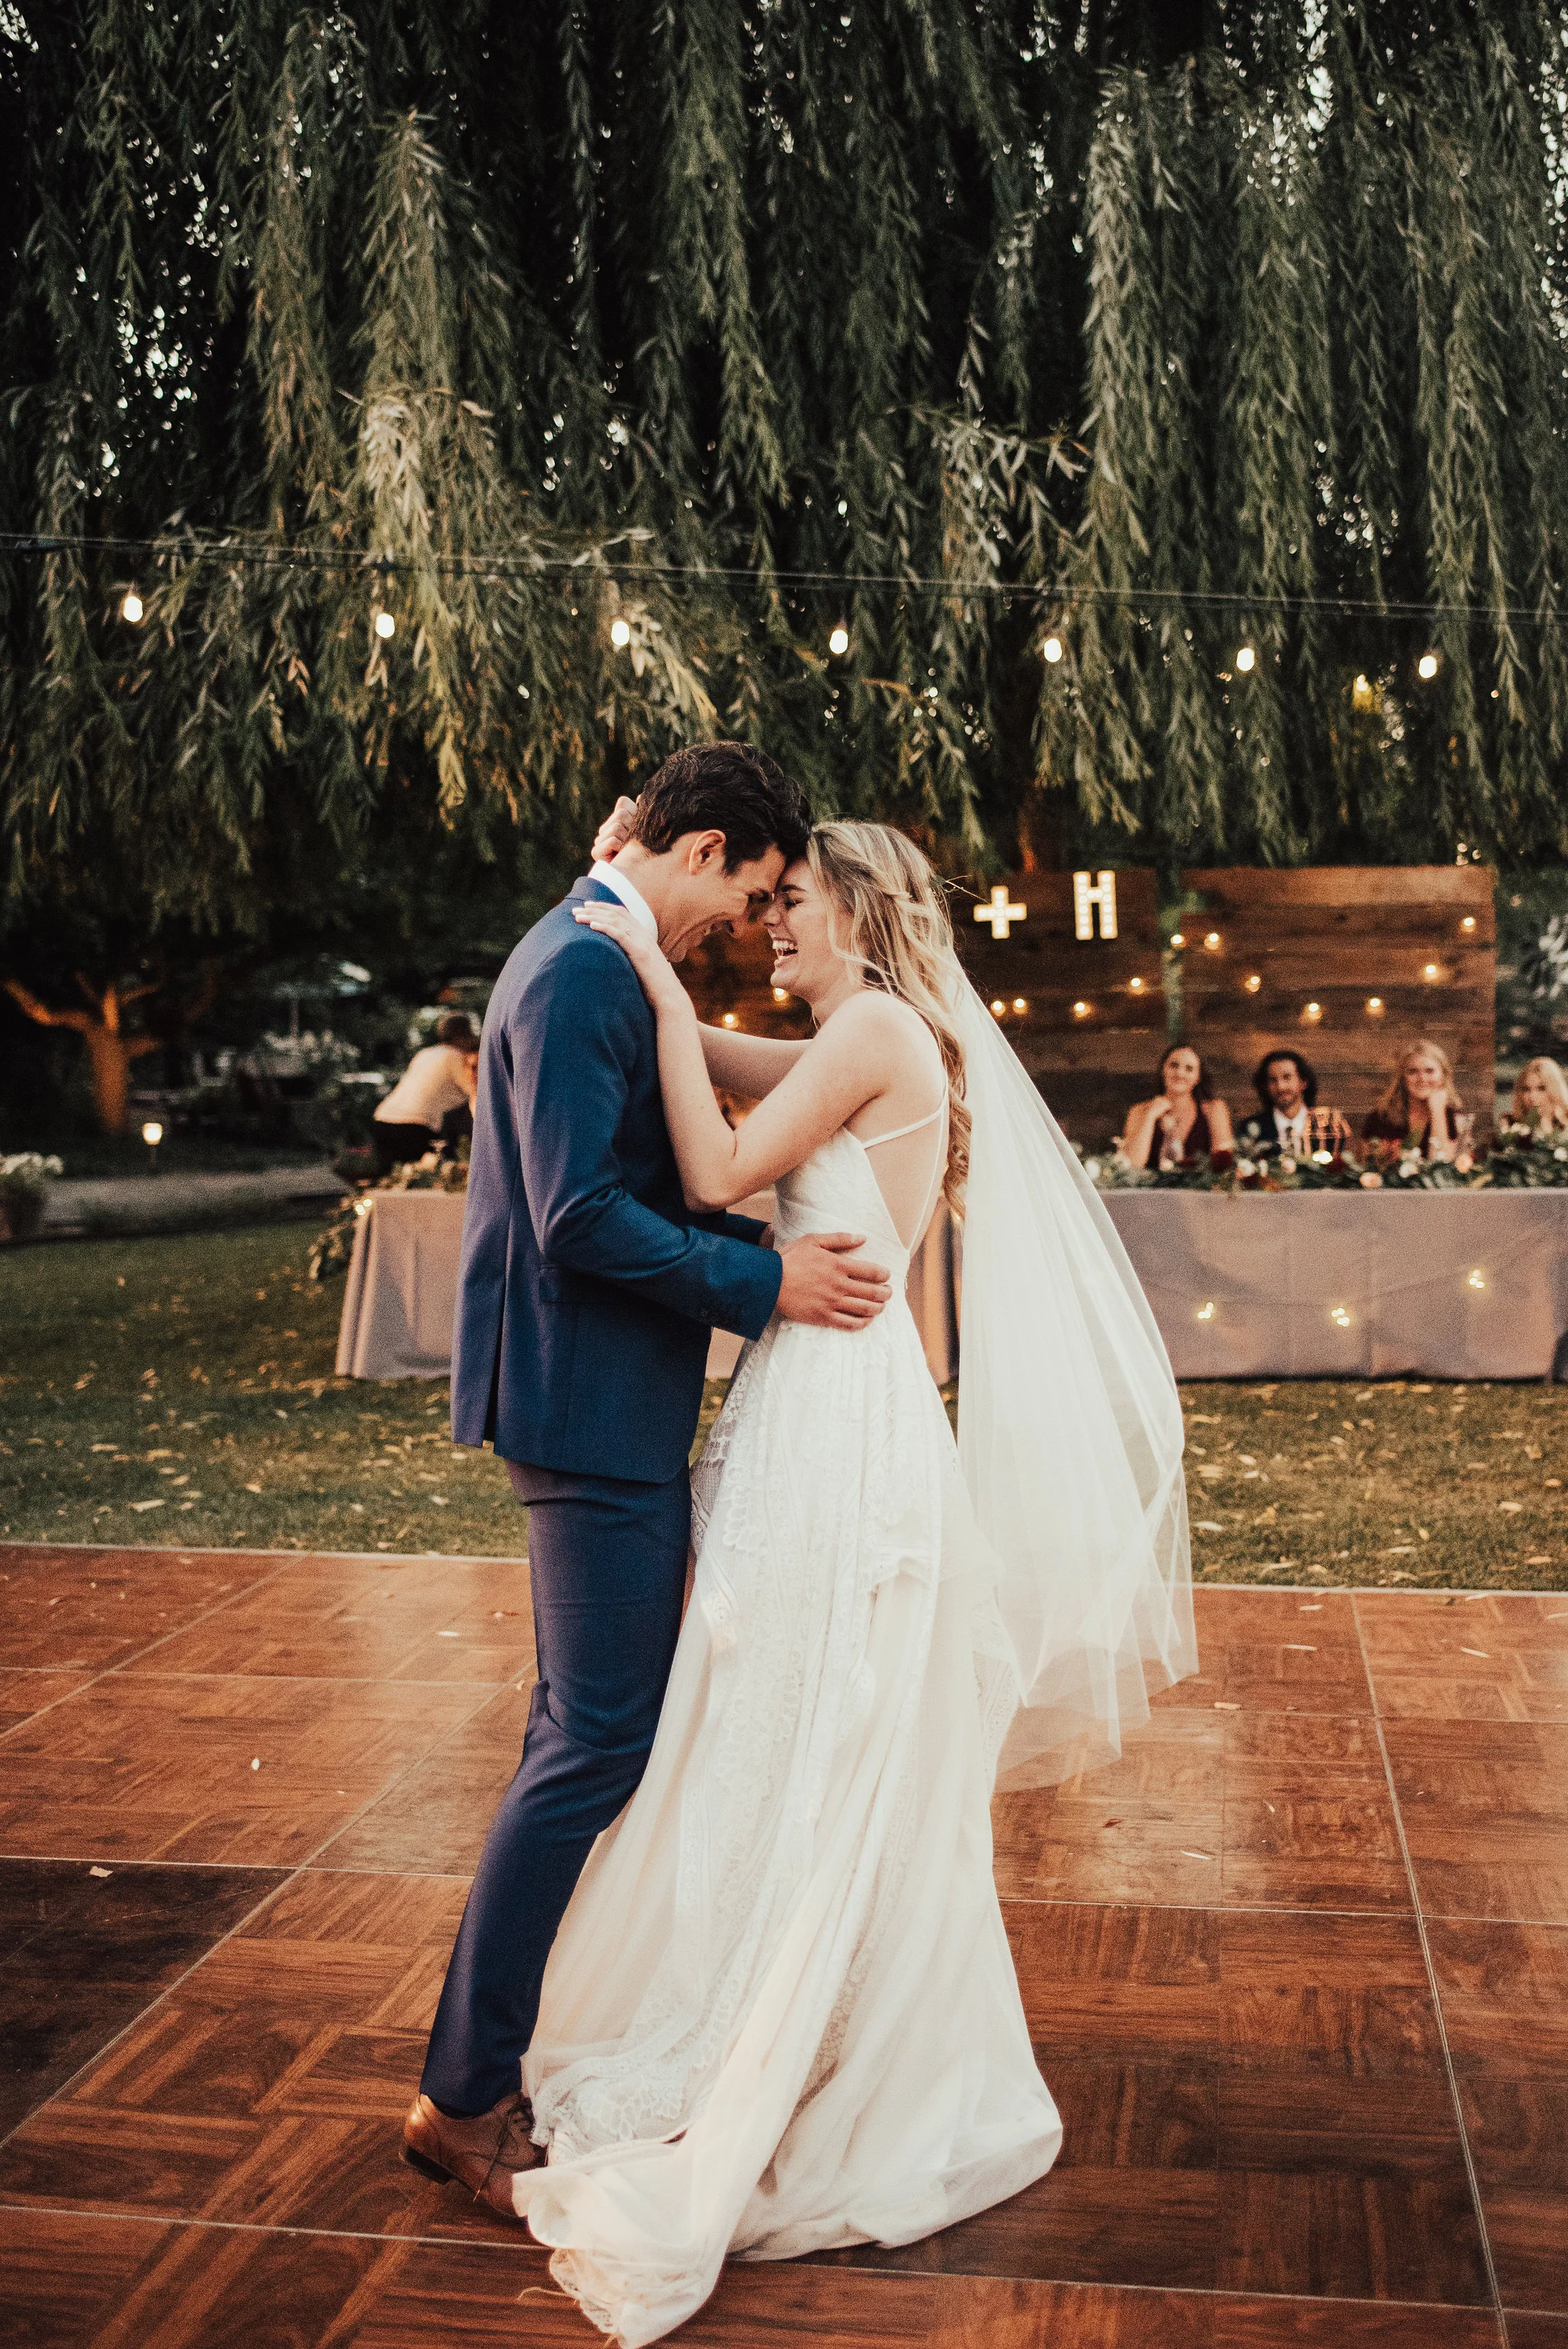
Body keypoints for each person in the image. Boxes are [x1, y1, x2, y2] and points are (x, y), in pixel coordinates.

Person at [472, 811, 1194, 2345]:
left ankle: (765, 2027)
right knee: (791, 1718)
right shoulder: (887, 1028)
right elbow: (748, 1070)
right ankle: (782, 2008)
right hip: (839, 1403)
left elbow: (723, 1155)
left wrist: (659, 1001)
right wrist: (628, 925)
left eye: (789, 903)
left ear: (854, 908)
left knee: (782, 1722)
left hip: (832, 1416)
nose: (765, 928)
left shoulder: (870, 1022)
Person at [403, 743, 897, 2219]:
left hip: (594, 1397)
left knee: (590, 1730)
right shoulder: (580, 972)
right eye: (738, 892)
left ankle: (485, 2062)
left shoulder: (596, 945)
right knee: (592, 1745)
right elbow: (577, 1216)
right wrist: (766, 1281)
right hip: (587, 1403)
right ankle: (462, 2090)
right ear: (688, 850)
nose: (736, 926)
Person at [371, 1013, 479, 1174]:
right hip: (416, 1124)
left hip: (384, 1119)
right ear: (464, 1036)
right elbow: (474, 1090)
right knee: (424, 1176)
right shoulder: (455, 1057)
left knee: (393, 1180)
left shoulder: (425, 1053)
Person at [1122, 1042, 1233, 1171]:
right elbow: (1133, 1164)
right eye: (1174, 1066)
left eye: (1189, 1069)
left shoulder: (1214, 1109)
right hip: (1150, 1190)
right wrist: (1150, 1116)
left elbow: (1223, 1162)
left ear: (1198, 1078)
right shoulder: (1139, 1111)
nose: (1180, 1074)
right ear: (1163, 1070)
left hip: (1198, 1189)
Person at [1235, 1049, 1352, 1160]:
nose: (1281, 1087)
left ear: (1303, 1082)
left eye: (1287, 1078)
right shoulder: (1252, 1128)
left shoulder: (1329, 1124)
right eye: (1273, 1080)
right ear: (1265, 1086)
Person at [1362, 1039, 1466, 1159]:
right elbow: (1368, 1170)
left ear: (1443, 1075)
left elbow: (1442, 1166)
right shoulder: (1380, 1117)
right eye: (1413, 1071)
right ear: (1403, 1077)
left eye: (1429, 1071)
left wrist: (1437, 1111)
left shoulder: (1456, 1118)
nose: (1422, 1078)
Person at [1513, 1055, 1568, 1131]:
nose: (1532, 1096)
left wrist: (1547, 1123)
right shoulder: (1512, 1125)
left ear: (1555, 1090)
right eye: (1526, 1089)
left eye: (1541, 1088)